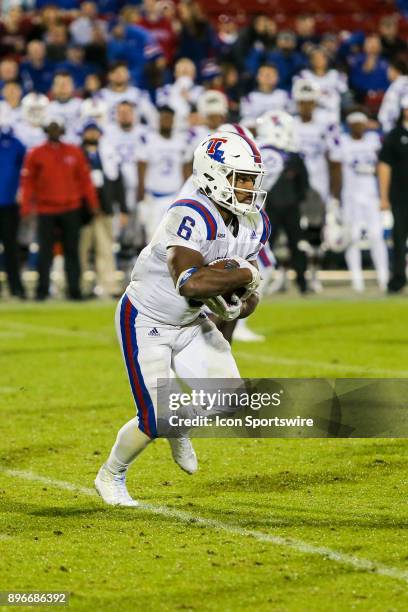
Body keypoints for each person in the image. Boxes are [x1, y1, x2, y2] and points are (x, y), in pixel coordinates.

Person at [94, 130, 269, 506]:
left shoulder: (254, 223)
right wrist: (243, 276)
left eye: (252, 179)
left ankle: (179, 424)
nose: (248, 188)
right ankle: (111, 474)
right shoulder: (190, 212)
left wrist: (239, 304)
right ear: (212, 175)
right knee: (154, 419)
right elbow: (191, 283)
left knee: (229, 400)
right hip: (147, 319)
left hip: (191, 325)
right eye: (241, 178)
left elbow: (246, 297)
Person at [20, 117, 99, 301]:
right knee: (45, 252)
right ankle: (42, 291)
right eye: (52, 128)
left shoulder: (74, 152)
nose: (54, 131)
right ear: (47, 130)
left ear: (62, 130)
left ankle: (74, 291)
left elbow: (85, 180)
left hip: (71, 208)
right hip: (46, 209)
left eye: (57, 128)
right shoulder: (36, 153)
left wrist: (92, 203)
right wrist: (25, 207)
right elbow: (28, 183)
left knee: (72, 251)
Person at [339, 112, 388, 292]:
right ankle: (356, 279)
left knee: (377, 236)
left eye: (361, 123)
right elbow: (335, 168)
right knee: (352, 238)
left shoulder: (374, 139)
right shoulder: (342, 141)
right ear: (349, 125)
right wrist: (336, 198)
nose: (359, 127)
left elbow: (382, 161)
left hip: (371, 194)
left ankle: (383, 277)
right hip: (351, 196)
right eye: (355, 124)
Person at [80, 120, 127, 298]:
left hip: (105, 209)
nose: (92, 135)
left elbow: (117, 182)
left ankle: (108, 285)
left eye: (94, 132)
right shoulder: (77, 154)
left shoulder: (108, 154)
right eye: (88, 132)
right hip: (82, 211)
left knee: (106, 249)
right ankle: (80, 286)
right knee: (80, 250)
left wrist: (122, 209)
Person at [137, 105, 190, 242]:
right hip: (153, 196)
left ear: (173, 121)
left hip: (174, 195)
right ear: (158, 120)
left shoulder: (181, 141)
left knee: (174, 237)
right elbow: (142, 165)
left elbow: (185, 167)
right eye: (163, 118)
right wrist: (141, 190)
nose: (166, 121)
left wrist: (187, 194)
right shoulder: (149, 140)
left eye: (169, 118)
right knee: (152, 237)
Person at [378, 96, 408, 293]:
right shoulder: (394, 135)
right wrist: (384, 197)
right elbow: (384, 166)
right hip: (400, 196)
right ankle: (398, 279)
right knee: (399, 239)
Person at [0, 124, 26, 299]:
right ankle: (15, 288)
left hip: (9, 202)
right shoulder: (15, 143)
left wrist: (21, 191)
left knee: (11, 247)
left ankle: (16, 287)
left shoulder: (15, 144)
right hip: (8, 201)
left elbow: (26, 171)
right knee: (11, 247)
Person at [240, 63, 290, 128]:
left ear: (277, 78)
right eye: (264, 74)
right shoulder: (249, 98)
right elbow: (246, 121)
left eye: (270, 74)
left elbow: (292, 119)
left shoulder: (285, 96)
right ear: (258, 77)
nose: (267, 77)